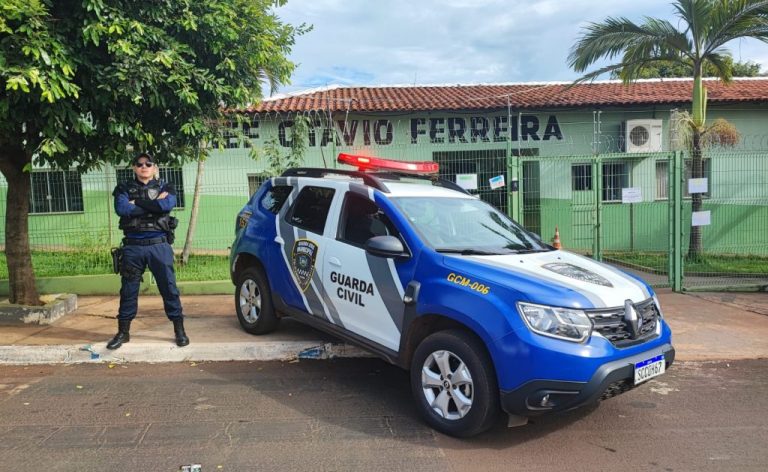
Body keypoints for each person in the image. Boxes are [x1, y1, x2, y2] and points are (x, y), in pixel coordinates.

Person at [107, 152, 189, 349]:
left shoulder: (165, 187)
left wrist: (138, 203)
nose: (144, 166)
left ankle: (179, 331)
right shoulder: (124, 188)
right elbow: (123, 209)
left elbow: (166, 204)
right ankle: (123, 332)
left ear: (155, 168)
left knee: (169, 288)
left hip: (158, 245)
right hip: (133, 247)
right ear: (134, 167)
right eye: (139, 164)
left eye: (148, 163)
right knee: (128, 290)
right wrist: (154, 206)